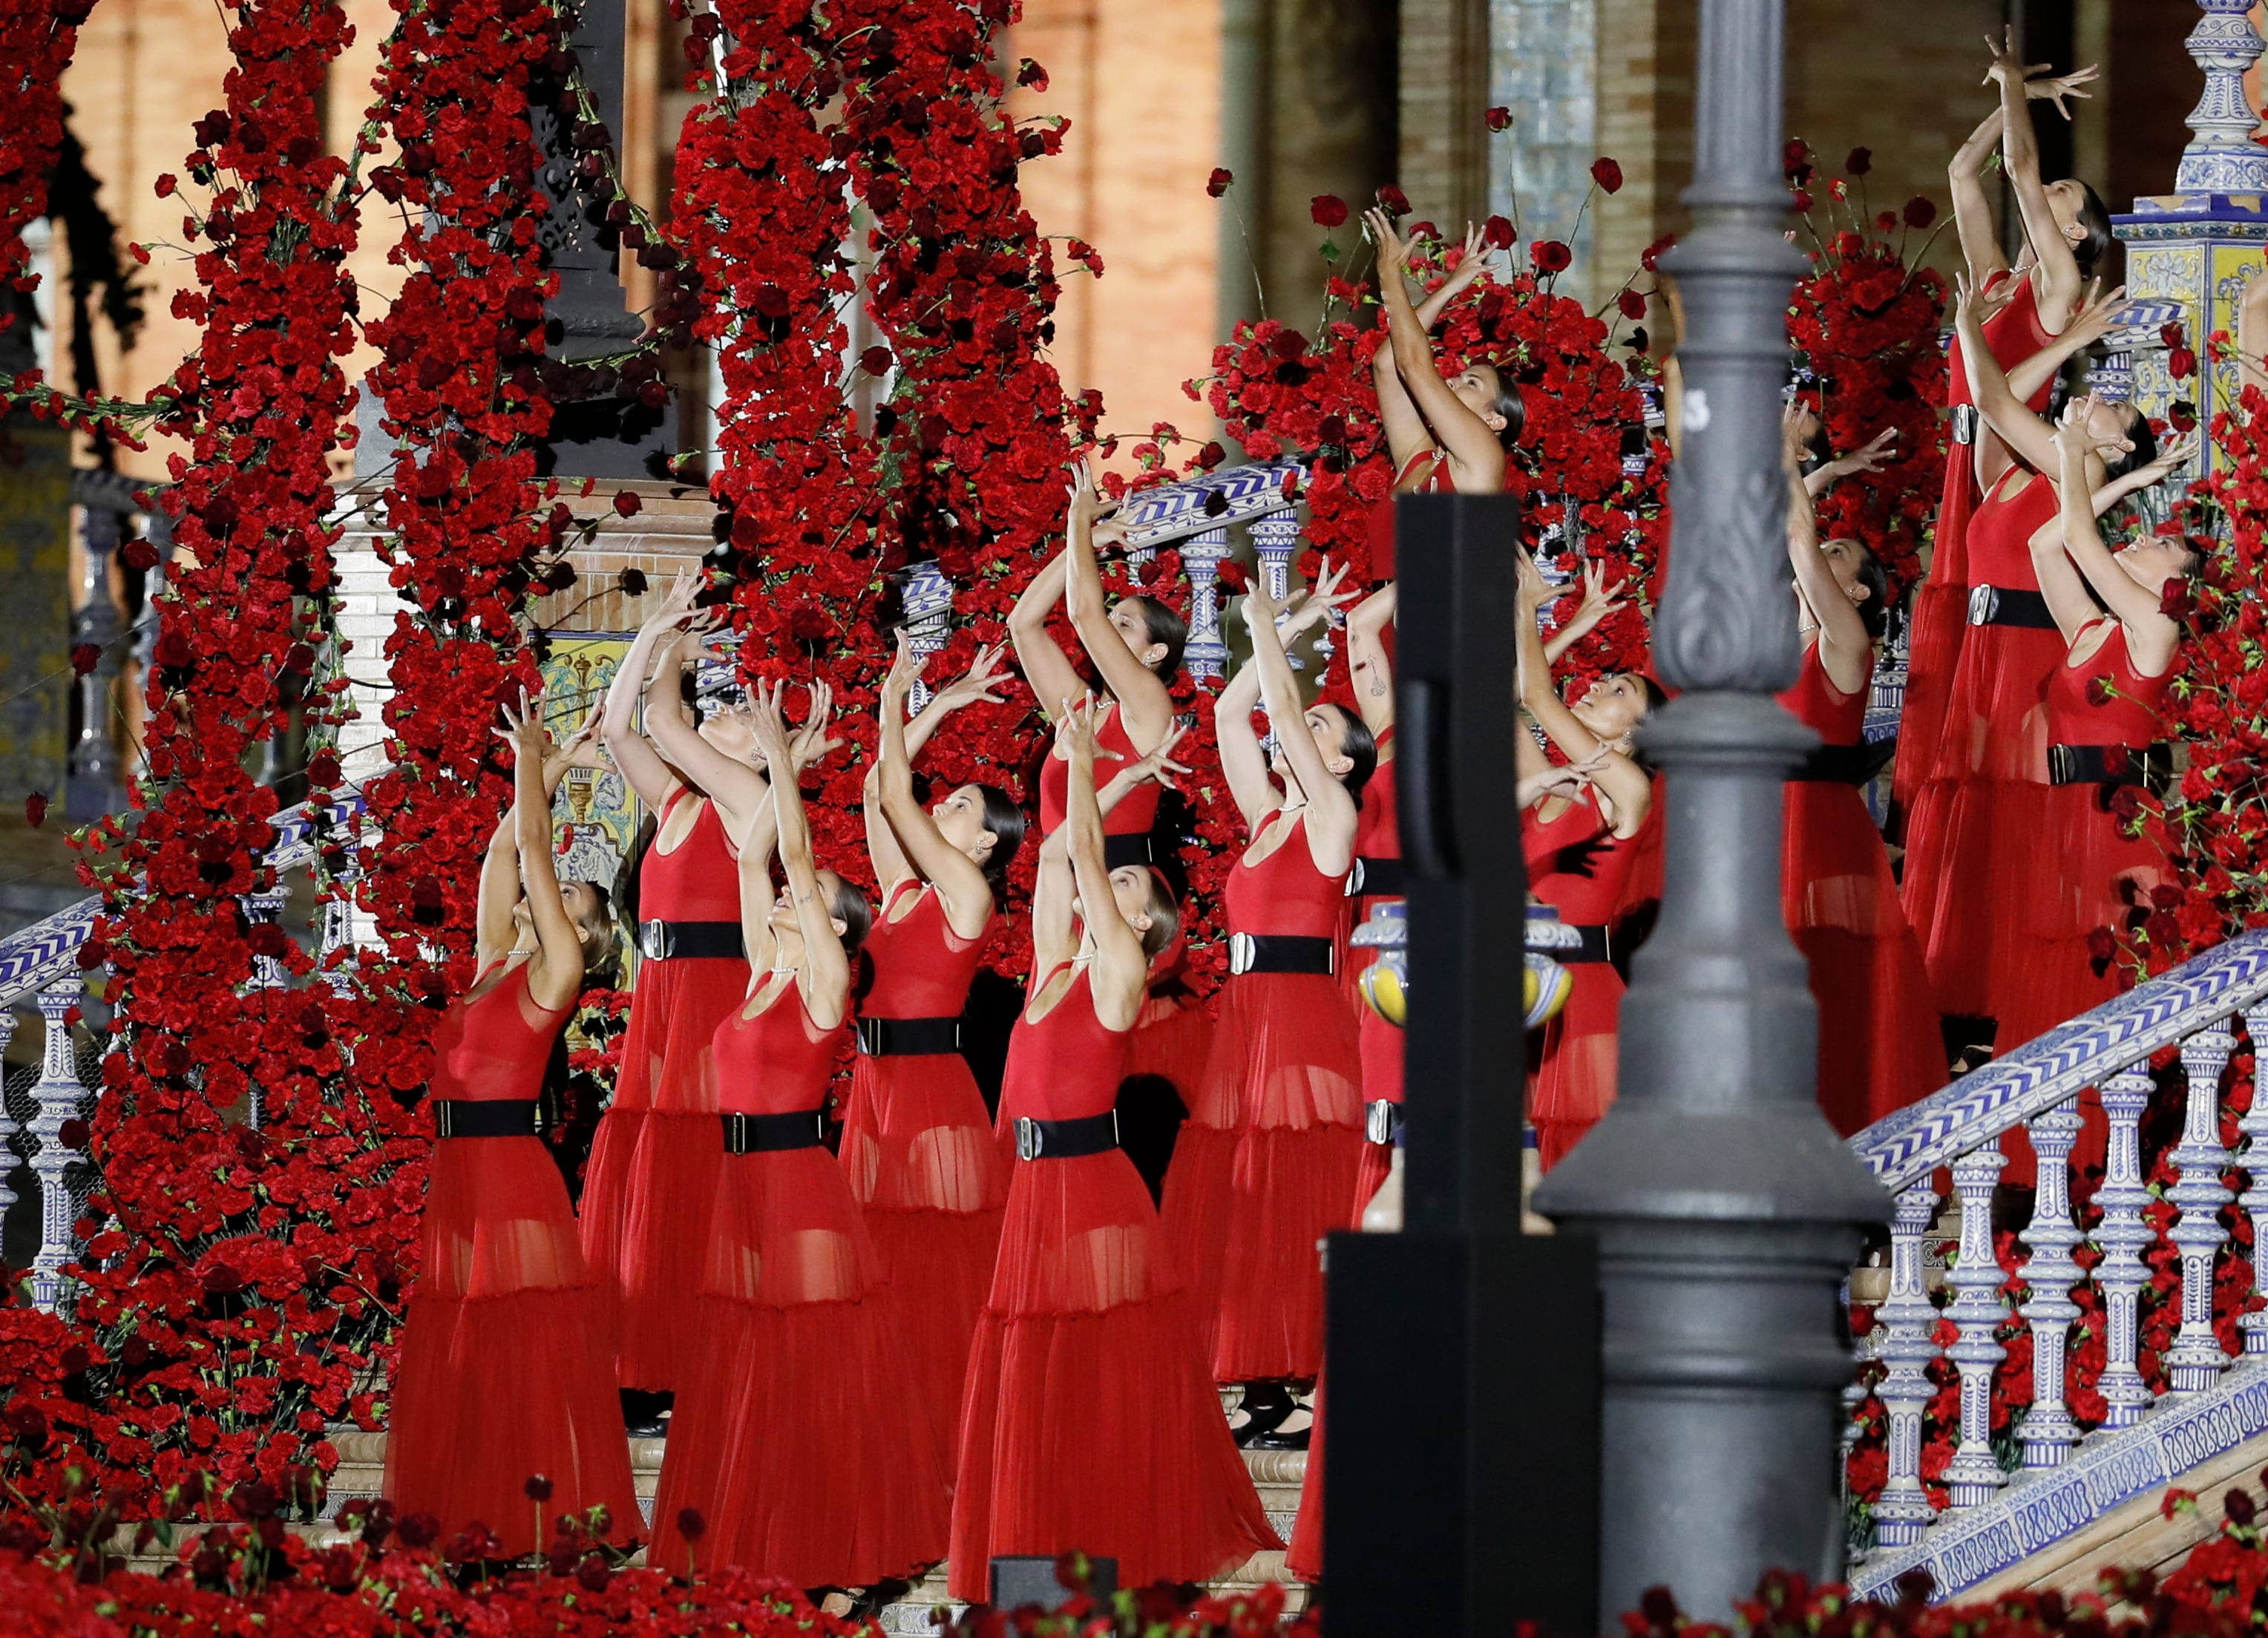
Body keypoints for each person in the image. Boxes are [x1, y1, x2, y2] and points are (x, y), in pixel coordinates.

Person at [948, 695, 1278, 1599]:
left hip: (1093, 1192)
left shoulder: (1120, 972)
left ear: (1145, 928)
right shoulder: (1054, 965)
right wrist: (1102, 773)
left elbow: (1086, 854)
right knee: (1034, 1384)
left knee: (1090, 1378)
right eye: (1123, 879)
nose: (1121, 883)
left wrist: (1089, 771)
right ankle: (1037, 1577)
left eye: (1138, 889)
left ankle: (1104, 1563)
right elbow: (1060, 854)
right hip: (1033, 1190)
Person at [649, 684, 948, 1591]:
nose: (792, 890)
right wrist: (778, 782)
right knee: (748, 1371)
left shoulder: (826, 982)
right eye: (796, 890)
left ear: (839, 925)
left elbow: (799, 852)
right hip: (737, 1185)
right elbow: (757, 862)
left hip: (796, 1187)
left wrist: (781, 757)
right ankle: (765, 1542)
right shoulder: (760, 970)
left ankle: (842, 1550)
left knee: (809, 1372)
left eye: (813, 895)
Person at [385, 693, 639, 1558]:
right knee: (462, 1341)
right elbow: (506, 849)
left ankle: (539, 1519)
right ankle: (474, 1511)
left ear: (589, 929)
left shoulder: (556, 970)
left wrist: (532, 757)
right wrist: (555, 769)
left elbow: (533, 848)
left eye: (574, 891)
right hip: (459, 1169)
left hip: (507, 1169)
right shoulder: (497, 957)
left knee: (518, 1343)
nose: (554, 884)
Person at [1907, 274, 2186, 1048]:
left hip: (2035, 668)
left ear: (2116, 444)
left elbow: (1996, 405)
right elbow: (1983, 409)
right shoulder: (2030, 476)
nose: (2091, 399)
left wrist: (1999, 333)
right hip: (1991, 657)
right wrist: (1987, 336)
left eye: (2111, 405)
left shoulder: (2081, 473)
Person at [582, 573, 816, 1429]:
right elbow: (620, 724)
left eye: (742, 715)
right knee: (650, 1176)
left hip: (714, 999)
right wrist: (658, 632)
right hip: (661, 996)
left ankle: (696, 1363)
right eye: (721, 705)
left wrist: (672, 641)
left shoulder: (753, 802)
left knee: (694, 1180)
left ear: (760, 752)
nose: (724, 712)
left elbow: (662, 719)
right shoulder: (678, 801)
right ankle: (643, 1362)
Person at [1161, 573, 1370, 1446]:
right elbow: (1228, 717)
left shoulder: (1333, 814)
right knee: (1246, 1190)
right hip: (1246, 1012)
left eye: (1323, 728)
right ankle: (1264, 1374)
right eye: (1306, 720)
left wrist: (1264, 629)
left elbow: (1279, 715)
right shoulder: (1266, 819)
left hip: (1300, 1012)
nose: (1301, 730)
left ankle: (1318, 1370)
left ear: (1344, 760)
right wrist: (1280, 625)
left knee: (1297, 1184)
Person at [1895, 47, 2105, 872]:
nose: (2046, 194)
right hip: (1960, 455)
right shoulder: (1993, 283)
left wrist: (2017, 87)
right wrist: (2014, 98)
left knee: (1970, 622)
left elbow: (2018, 166)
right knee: (1947, 637)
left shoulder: (2057, 285)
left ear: (2078, 231)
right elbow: (1963, 169)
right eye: (2052, 188)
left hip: (1993, 452)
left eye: (2064, 196)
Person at [842, 632, 1024, 1466]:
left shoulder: (967, 893)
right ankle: (889, 1418)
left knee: (931, 1263)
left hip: (929, 1089)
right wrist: (937, 706)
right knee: (878, 1254)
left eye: (959, 806)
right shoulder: (909, 889)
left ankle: (948, 1435)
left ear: (986, 841)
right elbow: (883, 795)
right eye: (944, 799)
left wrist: (891, 705)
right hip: (875, 1083)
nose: (941, 804)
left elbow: (897, 802)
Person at [1993, 403, 2192, 1054]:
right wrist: (2127, 482)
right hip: (2058, 818)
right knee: (2051, 976)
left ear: (2176, 587)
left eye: (2161, 544)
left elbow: (2079, 537)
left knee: (2105, 977)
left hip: (2116, 823)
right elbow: (2044, 544)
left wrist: (2076, 450)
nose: (2140, 538)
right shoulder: (2093, 627)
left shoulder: (2158, 632)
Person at [1777, 408, 1943, 1133]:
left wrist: (1789, 457)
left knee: (1830, 986)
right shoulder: (1783, 640)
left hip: (1816, 826)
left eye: (1839, 551)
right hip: (1766, 821)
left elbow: (1792, 538)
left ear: (1858, 593)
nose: (1824, 550)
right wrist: (1819, 472)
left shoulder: (1845, 642)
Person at [1514, 553, 1659, 1168]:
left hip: (1581, 1000)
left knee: (1581, 1166)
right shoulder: (1552, 786)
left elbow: (1539, 698)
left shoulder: (1629, 792)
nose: (1598, 683)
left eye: (1618, 689)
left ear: (1636, 734)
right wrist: (1566, 629)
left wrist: (1528, 608)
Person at [1010, 464, 1185, 867]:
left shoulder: (1148, 705)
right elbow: (1023, 625)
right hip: (1061, 879)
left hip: (1118, 882)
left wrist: (1077, 521)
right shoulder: (1079, 708)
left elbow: (1086, 614)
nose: (1108, 627)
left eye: (1124, 624)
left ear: (1155, 652)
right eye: (1113, 618)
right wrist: (1084, 542)